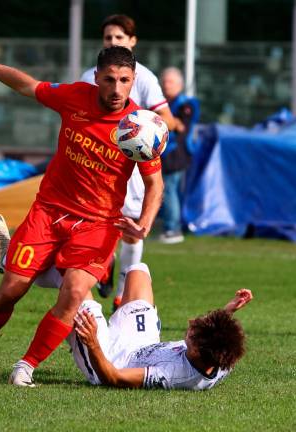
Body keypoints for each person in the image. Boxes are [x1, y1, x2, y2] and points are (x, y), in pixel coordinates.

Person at [0, 36, 164, 388]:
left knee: (74, 293)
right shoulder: (74, 97)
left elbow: (155, 185)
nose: (116, 88)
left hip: (98, 224)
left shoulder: (138, 128)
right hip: (50, 211)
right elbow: (27, 85)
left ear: (133, 81)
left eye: (124, 80)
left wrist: (145, 223)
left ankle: (26, 366)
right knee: (10, 289)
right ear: (97, 78)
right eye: (109, 79)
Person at [79, 14, 178, 309]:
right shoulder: (89, 77)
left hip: (131, 168)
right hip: (96, 166)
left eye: (119, 38)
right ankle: (101, 266)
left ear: (132, 41)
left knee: (132, 229)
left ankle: (121, 293)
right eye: (108, 38)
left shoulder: (145, 78)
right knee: (91, 224)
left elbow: (168, 121)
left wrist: (144, 128)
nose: (113, 42)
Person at [70, 263, 253, 390]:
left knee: (76, 286)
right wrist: (227, 312)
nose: (190, 322)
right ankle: (105, 270)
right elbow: (220, 341)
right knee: (138, 272)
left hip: (110, 360)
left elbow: (113, 378)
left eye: (193, 331)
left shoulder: (171, 373)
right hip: (141, 345)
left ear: (197, 351)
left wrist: (93, 343)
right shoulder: (221, 359)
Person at [157, 67, 200, 244]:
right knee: (169, 190)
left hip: (176, 155)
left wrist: (167, 122)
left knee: (170, 191)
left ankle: (173, 229)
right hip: (164, 153)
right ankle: (170, 225)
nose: (167, 85)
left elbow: (181, 127)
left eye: (171, 82)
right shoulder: (161, 103)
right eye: (164, 81)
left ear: (180, 85)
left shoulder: (185, 104)